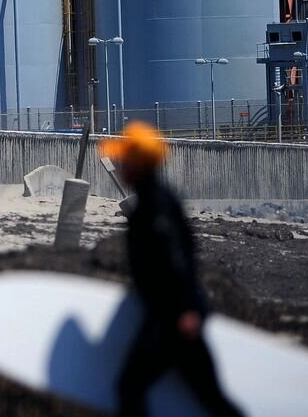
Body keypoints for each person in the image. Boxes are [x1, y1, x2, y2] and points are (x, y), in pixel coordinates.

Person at [100, 121, 242, 417]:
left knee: (131, 387)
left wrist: (186, 309)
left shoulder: (155, 205)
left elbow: (174, 256)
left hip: (173, 319)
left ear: (139, 162)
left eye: (125, 159)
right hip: (173, 315)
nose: (120, 164)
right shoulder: (155, 199)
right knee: (209, 396)